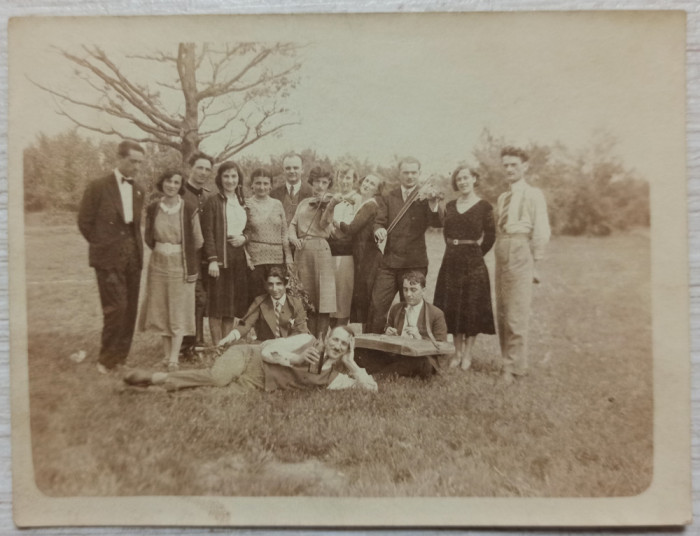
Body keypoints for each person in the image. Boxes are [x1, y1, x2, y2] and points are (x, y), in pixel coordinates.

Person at [123, 326, 378, 393]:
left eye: (344, 345)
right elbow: (267, 351)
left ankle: (150, 392)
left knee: (214, 395)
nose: (337, 345)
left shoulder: (333, 376)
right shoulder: (306, 339)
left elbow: (371, 390)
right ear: (328, 337)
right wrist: (296, 358)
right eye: (336, 339)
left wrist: (353, 364)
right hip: (248, 357)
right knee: (216, 378)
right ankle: (156, 377)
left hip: (257, 385)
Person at [78, 140, 146, 374]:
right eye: (132, 161)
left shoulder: (139, 190)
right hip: (108, 258)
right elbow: (84, 222)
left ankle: (120, 359)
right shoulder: (98, 187)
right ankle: (106, 360)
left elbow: (135, 226)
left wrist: (133, 250)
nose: (137, 167)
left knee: (130, 310)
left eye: (140, 163)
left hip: (133, 258)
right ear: (120, 159)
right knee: (116, 307)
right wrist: (103, 246)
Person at [494, 146, 551, 385]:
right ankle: (515, 363)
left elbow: (541, 230)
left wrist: (535, 263)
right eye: (505, 165)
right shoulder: (503, 197)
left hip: (520, 248)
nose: (509, 169)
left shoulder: (533, 194)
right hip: (502, 247)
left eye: (513, 165)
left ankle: (511, 369)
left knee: (516, 313)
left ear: (525, 167)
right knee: (503, 311)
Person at [367, 157, 443, 334]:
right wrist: (378, 230)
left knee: (411, 309)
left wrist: (433, 202)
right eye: (406, 172)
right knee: (377, 306)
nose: (409, 176)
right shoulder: (388, 196)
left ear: (419, 174)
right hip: (390, 263)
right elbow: (379, 221)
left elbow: (439, 222)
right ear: (399, 174)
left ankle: (406, 354)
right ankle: (372, 353)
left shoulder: (426, 196)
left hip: (414, 263)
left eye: (413, 172)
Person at [138, 170, 204, 371]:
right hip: (158, 263)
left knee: (177, 310)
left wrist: (177, 252)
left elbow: (198, 240)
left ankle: (175, 357)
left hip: (180, 265)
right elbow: (149, 237)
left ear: (180, 185)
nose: (172, 186)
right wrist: (162, 249)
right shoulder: (153, 208)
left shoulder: (188, 208)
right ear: (162, 183)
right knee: (162, 309)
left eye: (176, 182)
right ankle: (166, 356)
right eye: (168, 181)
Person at [433, 164, 496, 370]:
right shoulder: (450, 206)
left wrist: (476, 254)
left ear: (474, 179)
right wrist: (454, 249)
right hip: (451, 260)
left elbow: (491, 235)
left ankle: (468, 355)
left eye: (466, 178)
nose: (462, 182)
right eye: (459, 179)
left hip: (473, 263)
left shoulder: (484, 206)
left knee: (471, 307)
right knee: (453, 306)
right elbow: (446, 232)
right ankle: (457, 354)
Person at [356, 271, 448, 379]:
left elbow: (441, 346)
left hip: (421, 359)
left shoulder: (436, 313)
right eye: (405, 289)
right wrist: (387, 331)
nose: (408, 294)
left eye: (413, 290)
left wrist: (420, 339)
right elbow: (387, 326)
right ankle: (374, 371)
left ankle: (377, 375)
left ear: (423, 291)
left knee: (418, 362)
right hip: (397, 355)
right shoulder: (397, 308)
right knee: (360, 351)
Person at [201, 161, 249, 345]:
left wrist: (244, 238)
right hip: (220, 257)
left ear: (239, 178)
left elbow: (250, 227)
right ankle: (215, 346)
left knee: (230, 305)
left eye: (234, 176)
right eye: (226, 176)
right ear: (220, 178)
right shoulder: (213, 201)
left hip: (238, 257)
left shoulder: (242, 201)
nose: (230, 180)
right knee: (216, 305)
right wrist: (212, 260)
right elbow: (208, 232)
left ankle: (225, 345)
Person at [288, 165, 337, 339]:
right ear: (312, 182)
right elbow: (293, 224)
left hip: (321, 250)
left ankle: (321, 341)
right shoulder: (303, 203)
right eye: (317, 182)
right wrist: (293, 238)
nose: (320, 186)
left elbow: (325, 224)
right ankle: (306, 339)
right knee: (304, 298)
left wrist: (330, 206)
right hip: (302, 252)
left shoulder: (328, 203)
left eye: (325, 182)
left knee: (323, 299)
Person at [335, 174, 384, 329]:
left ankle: (369, 341)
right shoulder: (364, 203)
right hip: (363, 257)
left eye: (372, 183)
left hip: (369, 258)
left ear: (377, 190)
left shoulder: (370, 205)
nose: (367, 184)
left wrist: (335, 222)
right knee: (364, 301)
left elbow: (351, 229)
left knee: (367, 300)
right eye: (366, 181)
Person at [219, 265, 309, 344]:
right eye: (270, 284)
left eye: (279, 284)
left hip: (289, 346)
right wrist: (230, 337)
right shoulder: (260, 301)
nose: (274, 289)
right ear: (266, 285)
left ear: (286, 284)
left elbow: (301, 331)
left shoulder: (295, 303)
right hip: (264, 346)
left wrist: (285, 344)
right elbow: (246, 324)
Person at [180, 152, 214, 354]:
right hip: (185, 256)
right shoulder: (180, 193)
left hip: (205, 256)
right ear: (190, 168)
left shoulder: (208, 196)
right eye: (199, 167)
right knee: (189, 298)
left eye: (207, 169)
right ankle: (187, 343)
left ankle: (198, 341)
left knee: (201, 299)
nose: (203, 172)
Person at [243, 168, 293, 302]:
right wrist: (246, 256)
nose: (262, 187)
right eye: (258, 183)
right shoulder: (246, 205)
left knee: (276, 300)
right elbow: (242, 232)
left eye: (265, 183)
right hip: (256, 260)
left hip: (277, 260)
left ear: (270, 185)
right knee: (257, 300)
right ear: (252, 185)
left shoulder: (277, 204)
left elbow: (284, 232)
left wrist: (288, 257)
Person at [327, 163, 363, 327]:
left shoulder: (357, 198)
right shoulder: (333, 198)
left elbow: (353, 227)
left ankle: (340, 333)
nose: (344, 181)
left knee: (343, 296)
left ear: (354, 180)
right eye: (341, 177)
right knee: (330, 297)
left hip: (346, 253)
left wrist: (338, 227)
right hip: (330, 251)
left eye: (348, 177)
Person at [270, 152, 314, 225]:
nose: (292, 171)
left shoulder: (311, 192)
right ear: (283, 170)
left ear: (302, 169)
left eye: (295, 168)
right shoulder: (273, 193)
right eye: (288, 168)